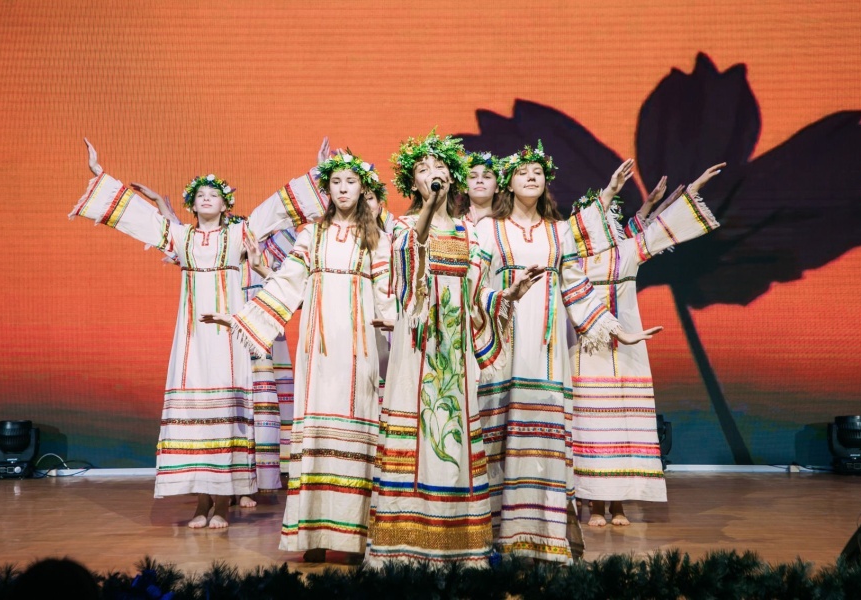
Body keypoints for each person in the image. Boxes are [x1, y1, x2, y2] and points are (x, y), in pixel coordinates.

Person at [70, 140, 300, 528]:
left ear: (225, 205)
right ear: (192, 205)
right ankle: (201, 502)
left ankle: (223, 503)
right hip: (192, 339)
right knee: (193, 408)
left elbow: (276, 206)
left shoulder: (239, 234)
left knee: (227, 412)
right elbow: (139, 218)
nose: (206, 198)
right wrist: (100, 176)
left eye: (214, 195)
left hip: (227, 338)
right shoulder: (182, 238)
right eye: (200, 195)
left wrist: (322, 175)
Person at [202, 151, 395, 562]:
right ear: (327, 189)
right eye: (336, 182)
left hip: (358, 344)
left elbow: (385, 291)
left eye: (351, 182)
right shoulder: (312, 234)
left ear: (362, 188)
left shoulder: (377, 237)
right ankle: (313, 535)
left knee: (356, 426)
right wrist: (240, 317)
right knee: (317, 429)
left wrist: (395, 324)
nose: (343, 189)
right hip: (318, 345)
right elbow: (287, 283)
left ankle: (352, 537)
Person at [476, 141, 662, 563]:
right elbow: (475, 283)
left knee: (543, 436)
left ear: (546, 183)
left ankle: (544, 537)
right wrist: (503, 296)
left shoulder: (558, 232)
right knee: (499, 433)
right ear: (508, 181)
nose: (531, 178)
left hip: (547, 351)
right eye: (522, 172)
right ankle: (496, 537)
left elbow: (577, 287)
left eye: (538, 173)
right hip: (503, 343)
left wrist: (619, 332)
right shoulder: (488, 229)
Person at [366, 131, 544, 567]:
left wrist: (508, 296)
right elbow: (409, 274)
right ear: (414, 183)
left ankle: (459, 540)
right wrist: (428, 207)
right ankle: (403, 544)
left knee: (455, 432)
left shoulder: (470, 232)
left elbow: (477, 294)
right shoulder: (403, 226)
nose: (432, 173)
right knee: (416, 430)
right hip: (418, 348)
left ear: (452, 176)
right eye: (422, 169)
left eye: (439, 167)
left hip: (455, 351)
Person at [571, 164, 724, 527]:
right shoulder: (570, 260)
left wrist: (692, 189)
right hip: (585, 349)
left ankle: (619, 504)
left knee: (624, 421)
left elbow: (658, 230)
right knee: (591, 424)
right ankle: (594, 503)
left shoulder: (626, 251)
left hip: (626, 348)